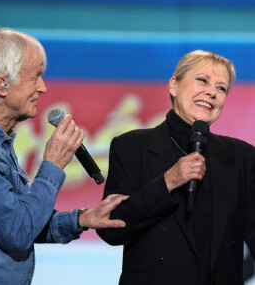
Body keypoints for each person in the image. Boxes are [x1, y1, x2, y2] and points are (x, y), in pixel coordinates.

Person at [0, 28, 128, 285]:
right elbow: (18, 232)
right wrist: (53, 165)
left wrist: (82, 219)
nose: (43, 88)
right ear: (2, 85)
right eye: (35, 77)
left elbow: (21, 218)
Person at [97, 50, 255, 285]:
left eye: (221, 88)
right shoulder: (132, 146)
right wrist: (167, 183)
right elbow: (112, 228)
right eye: (202, 80)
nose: (212, 92)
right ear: (174, 85)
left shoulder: (241, 156)